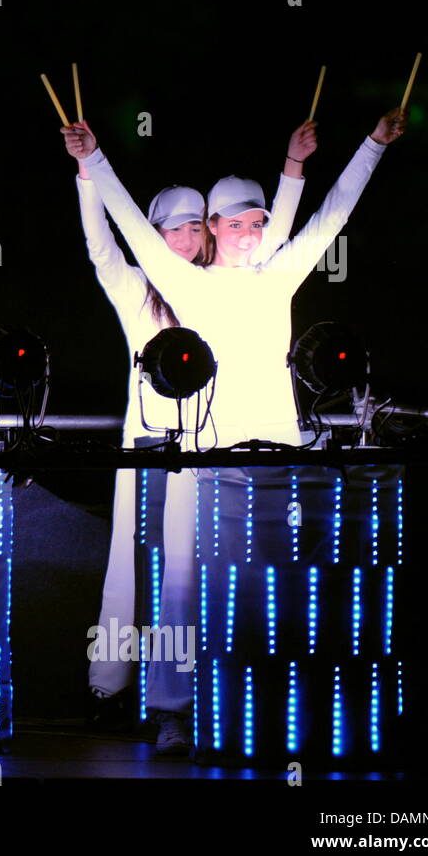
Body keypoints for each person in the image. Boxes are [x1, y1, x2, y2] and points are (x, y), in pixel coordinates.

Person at [73, 120, 316, 753]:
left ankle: (199, 696)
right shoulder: (136, 288)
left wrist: (293, 169)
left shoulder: (218, 286)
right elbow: (103, 249)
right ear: (155, 234)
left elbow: (276, 236)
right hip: (147, 446)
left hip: (202, 445)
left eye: (191, 226)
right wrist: (86, 179)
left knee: (199, 572)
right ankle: (110, 686)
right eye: (171, 227)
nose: (183, 237)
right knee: (132, 573)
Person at [64, 109, 405, 448]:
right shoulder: (185, 282)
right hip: (209, 450)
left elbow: (332, 216)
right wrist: (92, 159)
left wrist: (373, 144)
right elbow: (130, 221)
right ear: (212, 225)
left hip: (278, 442)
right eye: (235, 224)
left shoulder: (277, 277)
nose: (247, 235)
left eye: (256, 224)